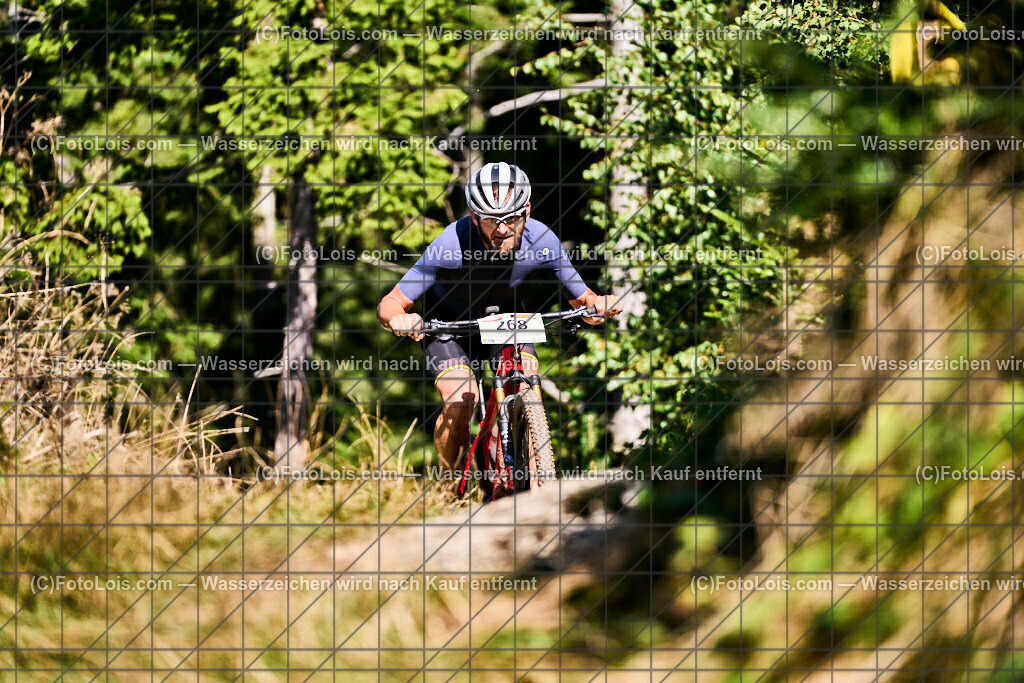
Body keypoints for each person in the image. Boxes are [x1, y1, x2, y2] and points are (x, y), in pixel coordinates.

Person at [377, 161, 622, 490]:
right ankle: (450, 490)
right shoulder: (449, 245)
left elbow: (584, 304)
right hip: (450, 325)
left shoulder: (543, 241)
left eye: (512, 218)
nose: (502, 229)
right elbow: (390, 303)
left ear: (527, 211)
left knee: (526, 380)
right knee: (460, 399)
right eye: (491, 220)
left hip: (506, 320)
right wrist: (400, 319)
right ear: (475, 217)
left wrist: (597, 306)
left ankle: (534, 482)